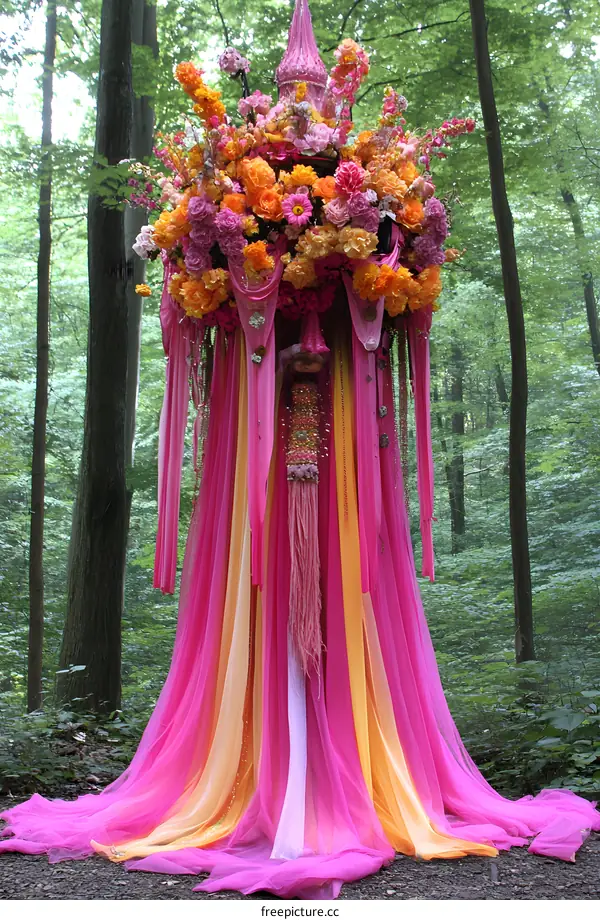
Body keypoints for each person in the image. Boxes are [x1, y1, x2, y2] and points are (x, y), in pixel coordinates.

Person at [2, 0, 598, 900]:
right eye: (297, 89)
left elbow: (381, 292)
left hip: (333, 435)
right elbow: (219, 285)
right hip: (264, 437)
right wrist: (235, 258)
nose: (301, 92)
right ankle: (258, 767)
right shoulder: (250, 192)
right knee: (269, 564)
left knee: (336, 564)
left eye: (308, 88)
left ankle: (339, 763)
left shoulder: (358, 194)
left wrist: (350, 267)